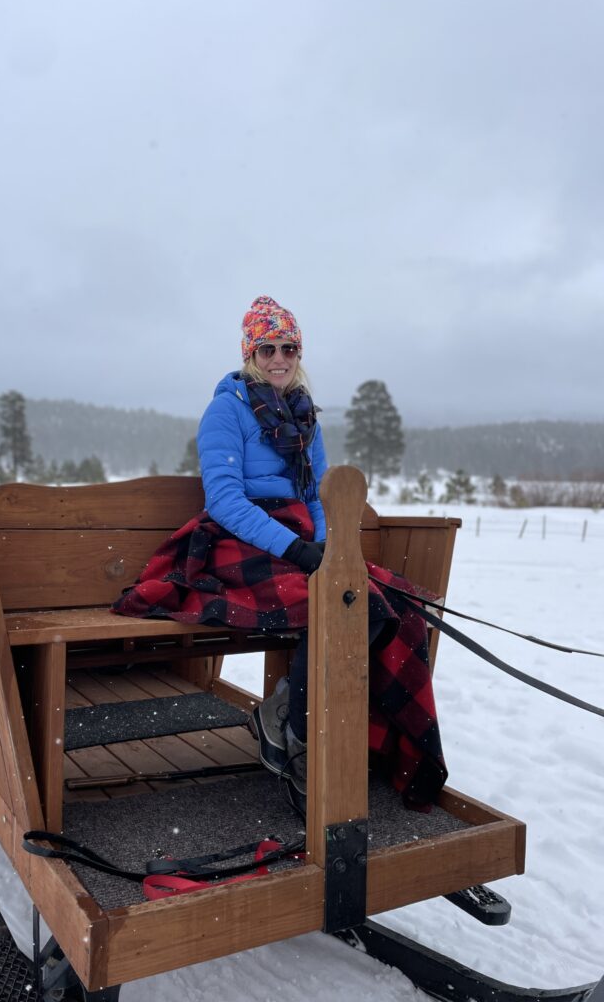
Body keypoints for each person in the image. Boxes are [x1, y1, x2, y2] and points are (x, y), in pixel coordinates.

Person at [113, 295, 447, 817]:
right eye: (267, 348)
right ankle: (300, 739)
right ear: (250, 352)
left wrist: (326, 548)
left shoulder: (304, 414)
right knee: (340, 606)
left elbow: (315, 494)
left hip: (296, 536)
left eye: (289, 348)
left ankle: (307, 721)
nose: (279, 359)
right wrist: (295, 549)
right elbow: (224, 501)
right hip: (235, 539)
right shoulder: (226, 409)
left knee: (392, 607)